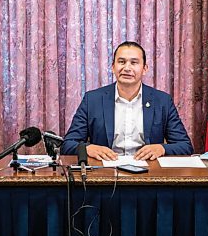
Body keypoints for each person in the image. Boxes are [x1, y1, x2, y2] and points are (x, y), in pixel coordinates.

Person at [63, 41, 193, 160]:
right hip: (105, 173)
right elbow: (67, 144)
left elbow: (185, 146)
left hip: (149, 173)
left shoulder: (162, 101)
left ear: (145, 68)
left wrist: (162, 148)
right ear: (113, 67)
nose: (127, 68)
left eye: (134, 62)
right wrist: (88, 149)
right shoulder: (92, 100)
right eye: (121, 62)